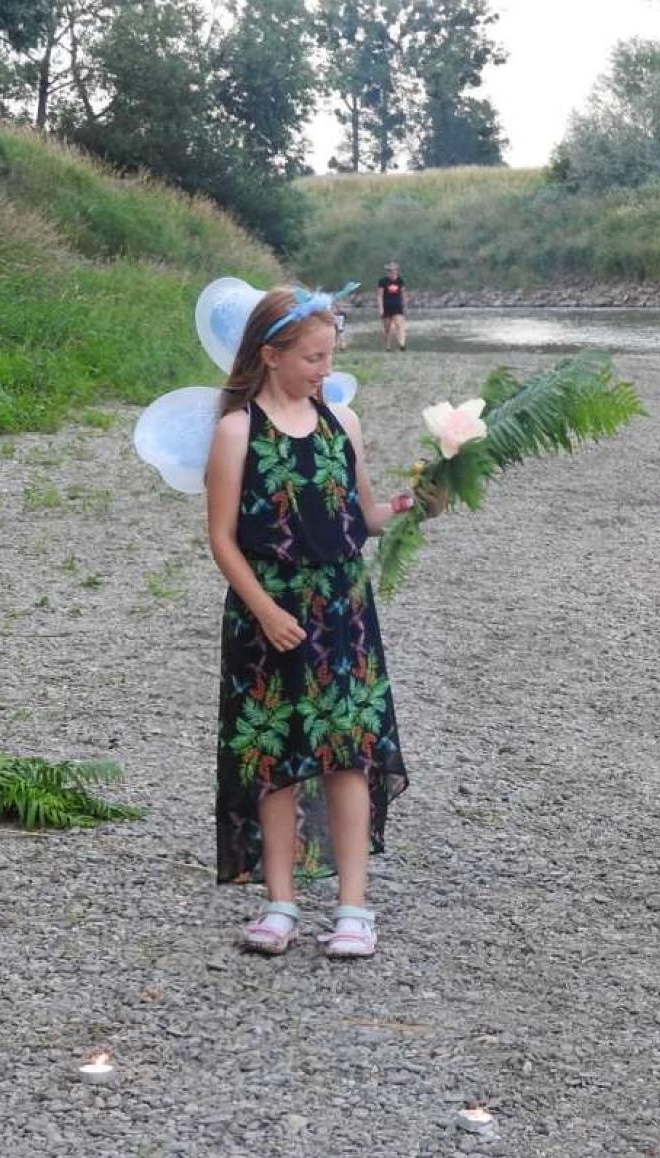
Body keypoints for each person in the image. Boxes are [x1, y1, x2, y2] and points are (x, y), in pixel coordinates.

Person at [205, 286, 417, 959]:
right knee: (276, 758)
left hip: (343, 610)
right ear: (270, 356)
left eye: (329, 357)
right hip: (267, 613)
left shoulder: (341, 424)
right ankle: (280, 902)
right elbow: (222, 538)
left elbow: (366, 518)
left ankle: (354, 908)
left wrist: (415, 503)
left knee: (348, 753)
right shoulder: (237, 430)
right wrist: (265, 611)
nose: (325, 370)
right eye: (313, 358)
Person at [378, 261, 407, 352]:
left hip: (397, 305)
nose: (392, 272)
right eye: (390, 270)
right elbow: (379, 295)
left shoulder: (400, 280)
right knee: (387, 328)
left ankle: (402, 344)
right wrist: (380, 308)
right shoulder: (383, 281)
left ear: (397, 271)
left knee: (399, 325)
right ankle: (388, 346)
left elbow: (403, 294)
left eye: (394, 270)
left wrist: (405, 305)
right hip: (386, 305)